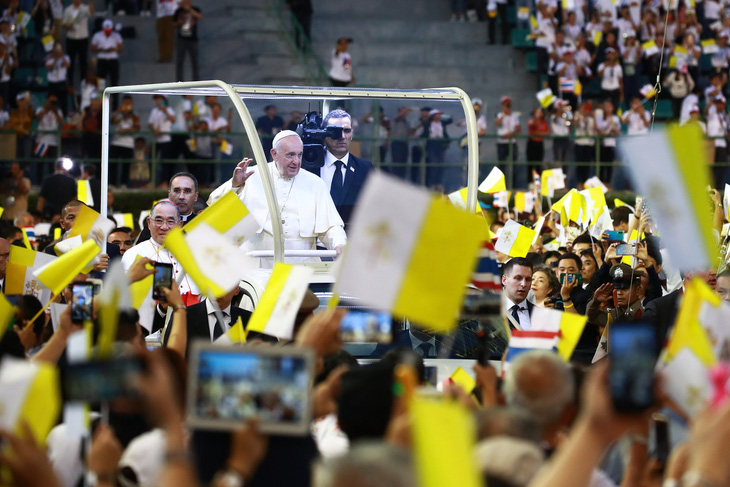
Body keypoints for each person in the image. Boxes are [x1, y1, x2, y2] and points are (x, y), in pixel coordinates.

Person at [207, 130, 346, 266]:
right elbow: (214, 205)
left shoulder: (315, 184)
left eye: (299, 155)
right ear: (274, 154)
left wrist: (339, 244)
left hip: (300, 267)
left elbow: (331, 226)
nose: (296, 161)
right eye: (290, 155)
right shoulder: (250, 176)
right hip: (258, 267)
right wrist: (235, 185)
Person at [121, 200, 201, 307]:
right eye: (159, 220)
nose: (164, 227)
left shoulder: (195, 252)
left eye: (170, 221)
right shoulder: (134, 254)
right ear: (149, 223)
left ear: (180, 225)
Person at [308, 109, 374, 226]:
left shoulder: (365, 169)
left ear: (352, 134)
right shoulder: (309, 166)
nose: (342, 136)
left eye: (347, 131)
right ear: (324, 134)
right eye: (335, 131)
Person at [162, 284, 252, 356]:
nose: (218, 291)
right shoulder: (184, 316)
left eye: (224, 286)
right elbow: (169, 359)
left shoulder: (249, 321)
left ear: (237, 290)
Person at [136, 172, 199, 244]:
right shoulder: (156, 222)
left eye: (187, 191)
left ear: (195, 196)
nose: (181, 197)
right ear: (169, 195)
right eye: (177, 191)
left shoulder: (202, 224)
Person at [61, 0, 94, 87]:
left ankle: (83, 82)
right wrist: (68, 26)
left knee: (83, 61)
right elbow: (63, 23)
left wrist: (91, 6)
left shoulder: (85, 9)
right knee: (70, 60)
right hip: (71, 37)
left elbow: (92, 14)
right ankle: (70, 82)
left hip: (83, 37)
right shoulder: (68, 10)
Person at [110, 95, 140, 187]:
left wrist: (127, 130)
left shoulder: (135, 115)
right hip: (116, 142)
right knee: (113, 165)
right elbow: (112, 122)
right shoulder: (117, 113)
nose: (127, 105)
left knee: (126, 166)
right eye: (125, 103)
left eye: (129, 103)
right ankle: (112, 184)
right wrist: (119, 113)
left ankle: (124, 184)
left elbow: (137, 127)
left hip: (128, 144)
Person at [148, 94, 176, 184]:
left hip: (166, 139)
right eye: (156, 99)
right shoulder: (154, 111)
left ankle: (164, 182)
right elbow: (150, 123)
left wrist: (165, 111)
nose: (158, 101)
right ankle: (151, 181)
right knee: (151, 161)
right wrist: (154, 129)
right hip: (155, 140)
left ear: (164, 100)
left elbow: (173, 120)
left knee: (165, 162)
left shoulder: (169, 110)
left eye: (159, 99)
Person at [90, 19, 123, 93]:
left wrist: (115, 49)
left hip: (113, 60)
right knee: (101, 83)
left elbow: (121, 48)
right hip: (102, 60)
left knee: (114, 83)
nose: (108, 33)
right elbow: (92, 48)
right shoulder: (97, 35)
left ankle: (115, 103)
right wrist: (101, 49)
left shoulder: (116, 36)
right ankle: (101, 102)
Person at [496, 96, 521, 188]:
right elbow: (497, 123)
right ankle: (501, 186)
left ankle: (513, 186)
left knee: (514, 165)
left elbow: (518, 129)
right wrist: (504, 114)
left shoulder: (514, 116)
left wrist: (510, 134)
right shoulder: (499, 115)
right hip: (501, 143)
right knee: (502, 165)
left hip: (512, 142)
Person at [502, 257, 535, 329]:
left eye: (528, 279)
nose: (523, 284)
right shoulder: (487, 313)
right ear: (504, 280)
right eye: (518, 278)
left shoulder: (541, 316)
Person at [173, 0, 201, 81]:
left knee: (194, 61)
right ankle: (179, 81)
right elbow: (173, 24)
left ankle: (196, 81)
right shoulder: (178, 11)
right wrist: (180, 22)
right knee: (179, 61)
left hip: (193, 39)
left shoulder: (195, 9)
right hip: (181, 39)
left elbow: (199, 16)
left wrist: (189, 10)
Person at [45, 41, 70, 115]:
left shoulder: (66, 57)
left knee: (63, 102)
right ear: (53, 49)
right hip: (52, 83)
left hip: (61, 83)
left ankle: (63, 118)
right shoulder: (49, 57)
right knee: (51, 101)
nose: (58, 50)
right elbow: (49, 67)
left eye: (59, 48)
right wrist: (55, 58)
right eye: (56, 48)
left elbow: (68, 65)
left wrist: (61, 56)